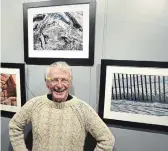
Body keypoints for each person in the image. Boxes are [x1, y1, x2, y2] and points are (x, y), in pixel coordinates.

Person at [9, 61, 115, 151]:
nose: (59, 85)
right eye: (54, 80)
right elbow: (15, 125)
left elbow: (107, 139)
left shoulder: (83, 109)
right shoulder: (35, 105)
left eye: (64, 80)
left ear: (70, 83)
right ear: (47, 83)